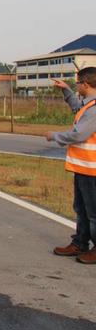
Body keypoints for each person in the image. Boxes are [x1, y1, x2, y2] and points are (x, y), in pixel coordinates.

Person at [46, 68, 96, 264]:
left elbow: (78, 134)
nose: (77, 87)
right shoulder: (89, 105)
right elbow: (78, 109)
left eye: (77, 84)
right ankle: (80, 243)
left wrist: (55, 136)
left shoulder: (94, 109)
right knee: (82, 208)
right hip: (84, 168)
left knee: (93, 212)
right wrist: (66, 90)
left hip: (92, 169)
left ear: (85, 84)